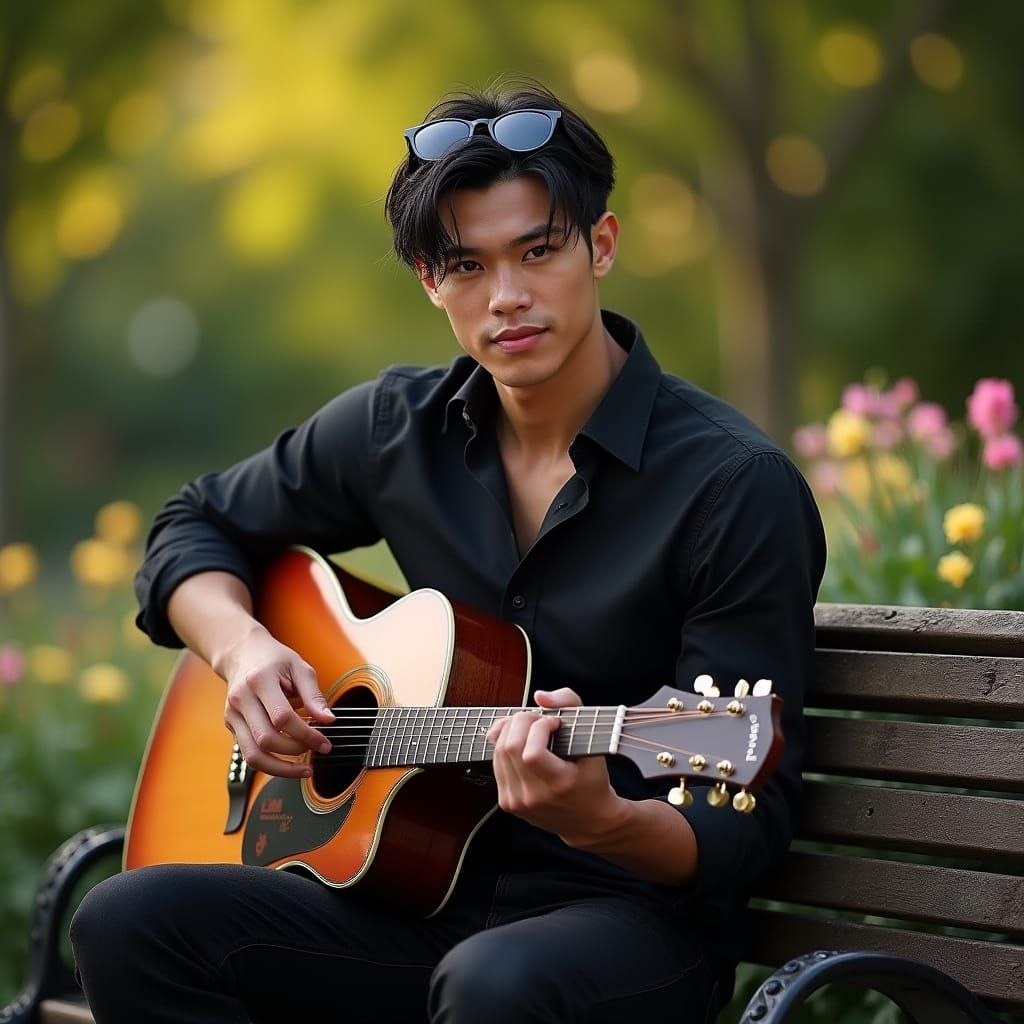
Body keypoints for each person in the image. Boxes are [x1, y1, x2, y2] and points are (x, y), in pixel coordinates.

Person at [70, 80, 825, 1023]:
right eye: (466, 266)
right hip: (415, 901)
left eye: (538, 251)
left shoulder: (733, 488)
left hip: (625, 923)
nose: (507, 298)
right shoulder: (397, 428)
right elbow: (193, 522)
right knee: (127, 920)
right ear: (431, 283)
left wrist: (606, 819)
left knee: (492, 984)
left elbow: (740, 830)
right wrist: (243, 651)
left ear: (601, 245)